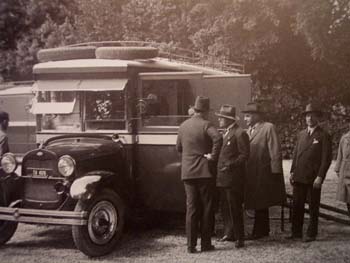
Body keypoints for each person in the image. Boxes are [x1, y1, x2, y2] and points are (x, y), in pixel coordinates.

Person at [176, 96, 222, 253]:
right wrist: (212, 156)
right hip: (204, 172)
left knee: (191, 209)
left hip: (188, 173)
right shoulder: (206, 124)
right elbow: (218, 138)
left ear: (195, 110)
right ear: (206, 111)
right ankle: (206, 244)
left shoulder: (183, 126)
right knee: (207, 208)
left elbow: (178, 148)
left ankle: (190, 245)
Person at [289, 103, 332, 242]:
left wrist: (320, 177)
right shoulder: (301, 134)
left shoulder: (323, 135)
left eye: (312, 115)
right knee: (297, 205)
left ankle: (311, 233)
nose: (309, 118)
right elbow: (296, 154)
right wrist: (292, 171)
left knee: (313, 207)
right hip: (299, 176)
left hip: (313, 178)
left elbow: (326, 159)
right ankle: (296, 232)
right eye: (307, 115)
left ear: (317, 117)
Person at [242, 102, 286, 240]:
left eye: (248, 116)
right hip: (251, 172)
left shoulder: (268, 128)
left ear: (256, 116)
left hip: (264, 171)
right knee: (256, 200)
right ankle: (262, 229)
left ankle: (259, 231)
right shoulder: (247, 131)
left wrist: (275, 173)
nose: (245, 119)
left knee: (262, 200)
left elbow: (275, 150)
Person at [215, 105, 249, 248]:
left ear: (229, 120)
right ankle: (229, 233)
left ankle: (239, 238)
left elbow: (245, 155)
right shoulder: (226, 132)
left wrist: (231, 164)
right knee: (225, 208)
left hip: (233, 178)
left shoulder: (240, 133)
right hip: (223, 178)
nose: (219, 120)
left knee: (235, 208)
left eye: (221, 118)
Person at [334, 125, 350, 216]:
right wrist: (338, 169)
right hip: (345, 173)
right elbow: (340, 155)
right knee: (348, 199)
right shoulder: (345, 138)